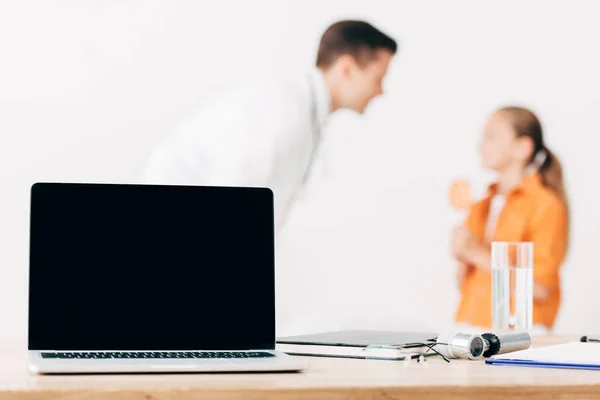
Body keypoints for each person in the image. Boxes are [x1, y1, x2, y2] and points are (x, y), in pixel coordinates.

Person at [144, 20, 397, 232]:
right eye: (378, 78)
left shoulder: (304, 113)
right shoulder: (283, 110)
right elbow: (229, 205)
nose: (381, 91)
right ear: (347, 69)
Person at [450, 106, 569, 332]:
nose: (481, 144)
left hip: (521, 331)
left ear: (522, 148)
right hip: (471, 325)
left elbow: (540, 288)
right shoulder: (481, 205)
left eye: (491, 136)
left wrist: (475, 253)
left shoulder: (546, 205)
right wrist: (461, 253)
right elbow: (464, 283)